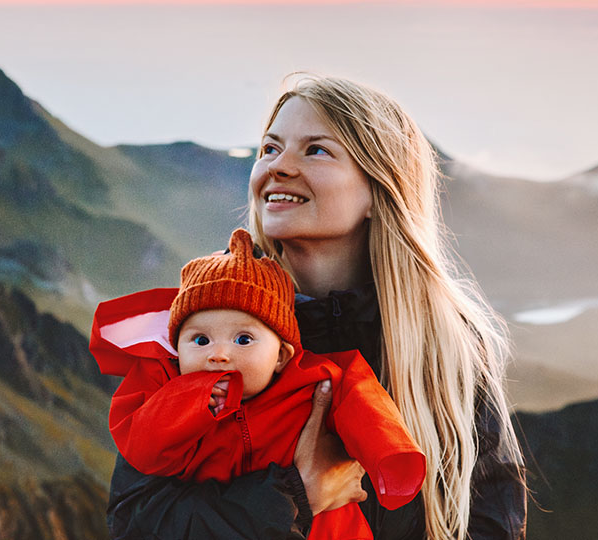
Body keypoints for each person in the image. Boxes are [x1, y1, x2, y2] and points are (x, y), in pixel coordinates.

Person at [103, 75, 527, 540]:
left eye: (316, 150)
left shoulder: (446, 344)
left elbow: (490, 520)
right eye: (270, 149)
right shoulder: (207, 325)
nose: (277, 167)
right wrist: (295, 496)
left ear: (378, 189)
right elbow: (135, 522)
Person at [91, 228, 426, 540]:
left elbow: (363, 399)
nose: (219, 354)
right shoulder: (166, 392)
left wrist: (389, 457)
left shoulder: (313, 379)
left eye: (243, 338)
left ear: (281, 355)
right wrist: (193, 402)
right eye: (200, 340)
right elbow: (143, 451)